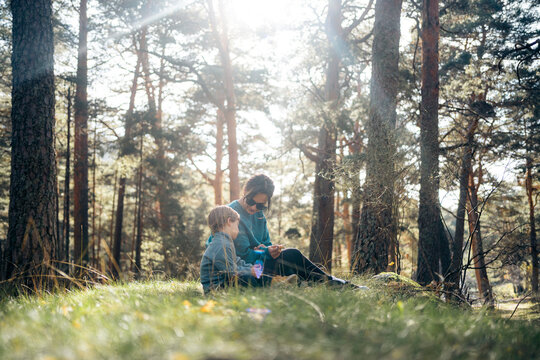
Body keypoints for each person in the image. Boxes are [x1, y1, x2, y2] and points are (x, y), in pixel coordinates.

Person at [207, 174, 362, 289]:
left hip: (257, 266)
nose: (255, 208)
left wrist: (270, 250)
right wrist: (265, 252)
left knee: (291, 256)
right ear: (245, 191)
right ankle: (330, 284)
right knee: (293, 256)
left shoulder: (259, 216)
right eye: (251, 202)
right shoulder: (232, 216)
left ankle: (331, 283)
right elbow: (242, 255)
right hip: (243, 271)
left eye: (261, 205)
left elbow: (265, 243)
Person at [200, 205, 272, 294]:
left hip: (224, 283)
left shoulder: (224, 241)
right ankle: (270, 285)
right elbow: (230, 272)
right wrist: (250, 271)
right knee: (246, 278)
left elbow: (237, 261)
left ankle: (275, 281)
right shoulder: (220, 244)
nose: (238, 230)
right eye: (237, 225)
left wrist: (251, 268)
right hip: (217, 290)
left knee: (252, 274)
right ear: (229, 221)